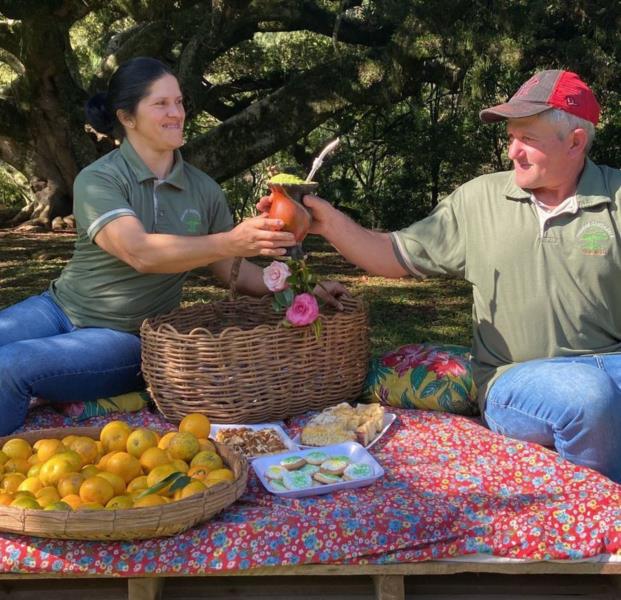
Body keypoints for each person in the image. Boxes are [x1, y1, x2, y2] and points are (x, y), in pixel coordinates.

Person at [260, 69, 621, 483]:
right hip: (519, 379)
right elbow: (393, 255)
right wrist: (327, 221)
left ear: (575, 142)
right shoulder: (482, 199)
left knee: (600, 389)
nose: (512, 152)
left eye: (528, 140)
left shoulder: (615, 198)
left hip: (612, 364)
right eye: (511, 138)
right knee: (589, 399)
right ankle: (599, 521)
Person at [0, 57, 344, 436]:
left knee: (9, 366)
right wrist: (230, 240)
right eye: (161, 104)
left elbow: (240, 273)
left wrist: (304, 288)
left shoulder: (204, 190)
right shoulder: (99, 179)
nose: (176, 113)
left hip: (126, 337)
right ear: (127, 118)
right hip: (57, 309)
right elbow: (138, 252)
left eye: (179, 102)